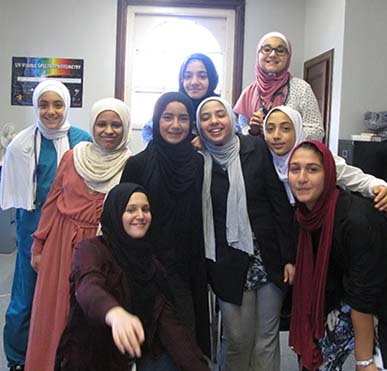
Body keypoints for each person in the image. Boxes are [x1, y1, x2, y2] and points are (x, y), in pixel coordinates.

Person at [24, 97, 132, 371]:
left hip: (100, 250)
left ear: (126, 127)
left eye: (116, 124)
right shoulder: (73, 157)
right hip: (61, 244)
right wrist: (39, 245)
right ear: (92, 126)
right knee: (54, 313)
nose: (109, 131)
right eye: (102, 124)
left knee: (88, 316)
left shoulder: (130, 163)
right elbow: (52, 201)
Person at [54, 182, 210, 371]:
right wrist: (114, 313)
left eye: (145, 209)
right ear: (115, 212)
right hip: (93, 356)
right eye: (131, 210)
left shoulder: (152, 265)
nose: (140, 216)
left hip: (137, 355)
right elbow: (88, 286)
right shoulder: (91, 250)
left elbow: (170, 326)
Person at [195, 96, 295, 371]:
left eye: (220, 114)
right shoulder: (198, 161)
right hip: (226, 262)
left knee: (266, 338)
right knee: (238, 338)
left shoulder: (256, 148)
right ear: (198, 125)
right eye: (206, 117)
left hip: (267, 257)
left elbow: (279, 204)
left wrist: (290, 257)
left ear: (230, 117)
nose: (214, 121)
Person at [0, 79, 91, 371]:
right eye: (43, 104)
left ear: (67, 106)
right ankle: (17, 359)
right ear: (35, 106)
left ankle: (60, 354)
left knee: (65, 296)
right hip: (33, 228)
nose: (51, 111)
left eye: (57, 104)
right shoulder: (21, 145)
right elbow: (17, 194)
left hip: (71, 230)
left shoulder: (82, 140)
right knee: (25, 299)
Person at [120, 92, 210, 357]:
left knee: (185, 343)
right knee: (148, 345)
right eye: (167, 117)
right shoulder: (137, 164)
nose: (175, 125)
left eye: (183, 118)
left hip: (186, 270)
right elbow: (125, 219)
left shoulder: (198, 164)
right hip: (145, 269)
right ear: (157, 121)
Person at [287, 140, 387, 371]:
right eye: (295, 169)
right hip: (346, 294)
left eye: (312, 169)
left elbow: (364, 294)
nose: (302, 178)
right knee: (313, 360)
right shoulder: (305, 215)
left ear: (330, 174)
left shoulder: (356, 220)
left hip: (377, 296)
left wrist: (364, 360)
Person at [262, 105, 387, 210]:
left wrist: (379, 187)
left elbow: (356, 178)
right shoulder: (263, 159)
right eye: (270, 129)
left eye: (285, 129)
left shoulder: (314, 156)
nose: (276, 136)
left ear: (298, 130)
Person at [234, 31, 324, 140]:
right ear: (258, 55)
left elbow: (317, 131)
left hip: (293, 156)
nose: (272, 55)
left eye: (280, 51)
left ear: (288, 57)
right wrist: (253, 131)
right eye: (266, 49)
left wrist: (281, 133)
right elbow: (239, 130)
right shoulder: (249, 92)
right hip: (258, 155)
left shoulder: (301, 88)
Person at [142, 52, 219, 145]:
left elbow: (234, 135)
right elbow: (149, 132)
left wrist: (210, 143)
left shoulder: (221, 107)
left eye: (202, 76)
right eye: (188, 76)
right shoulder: (173, 103)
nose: (194, 82)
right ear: (181, 80)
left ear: (211, 79)